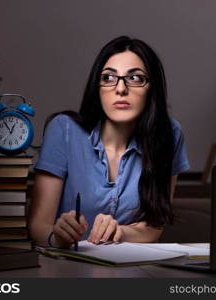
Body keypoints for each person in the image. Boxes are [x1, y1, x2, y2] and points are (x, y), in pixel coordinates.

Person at [29, 36, 189, 248]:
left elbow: (153, 227)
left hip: (131, 269)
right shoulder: (64, 130)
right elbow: (38, 225)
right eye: (108, 78)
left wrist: (119, 231)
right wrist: (57, 237)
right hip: (67, 265)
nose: (121, 89)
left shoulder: (169, 134)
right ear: (97, 87)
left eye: (135, 78)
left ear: (152, 88)